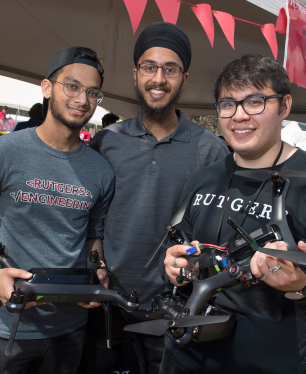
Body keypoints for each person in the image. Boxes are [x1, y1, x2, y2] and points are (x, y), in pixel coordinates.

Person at [160, 54, 306, 374]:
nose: (239, 116)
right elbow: (183, 254)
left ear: (284, 106)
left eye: (255, 102)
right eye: (227, 104)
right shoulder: (201, 179)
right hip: (182, 358)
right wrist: (176, 266)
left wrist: (304, 286)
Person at [0, 46, 114, 373]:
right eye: (72, 86)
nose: (82, 99)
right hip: (7, 327)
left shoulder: (101, 171)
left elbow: (93, 236)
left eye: (93, 92)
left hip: (71, 328)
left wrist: (98, 271)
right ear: (47, 88)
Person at [84, 22, 229, 374]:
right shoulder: (107, 141)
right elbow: (92, 218)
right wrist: (94, 268)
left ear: (184, 77)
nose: (158, 79)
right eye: (149, 67)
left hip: (171, 306)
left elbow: (214, 236)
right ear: (135, 74)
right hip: (106, 301)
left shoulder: (210, 150)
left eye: (170, 69)